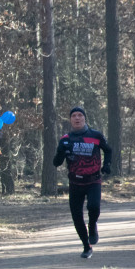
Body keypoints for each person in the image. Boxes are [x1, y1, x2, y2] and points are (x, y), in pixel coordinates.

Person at [52, 106, 112, 259]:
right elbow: (57, 163)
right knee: (77, 216)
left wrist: (107, 165)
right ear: (70, 120)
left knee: (93, 206)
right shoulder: (66, 139)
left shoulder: (96, 135)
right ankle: (86, 246)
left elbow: (108, 150)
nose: (77, 118)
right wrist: (60, 152)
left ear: (85, 118)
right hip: (75, 183)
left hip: (93, 180)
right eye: (74, 116)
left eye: (80, 115)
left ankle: (92, 226)